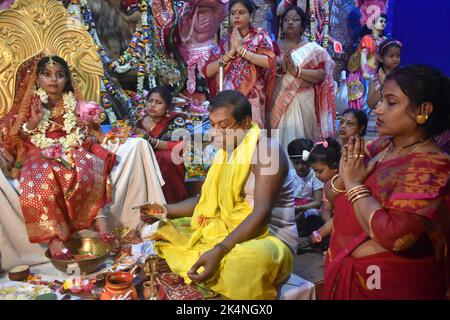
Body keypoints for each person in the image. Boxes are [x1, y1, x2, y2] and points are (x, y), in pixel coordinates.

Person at [141, 90, 298, 299]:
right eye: (212, 125)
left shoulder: (266, 151)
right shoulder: (227, 149)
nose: (215, 133)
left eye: (223, 126)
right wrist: (163, 210)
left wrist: (221, 249)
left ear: (245, 123)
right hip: (228, 226)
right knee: (162, 229)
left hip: (270, 235)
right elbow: (204, 201)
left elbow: (261, 214)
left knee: (244, 260)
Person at [324, 65, 450, 299]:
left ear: (423, 110)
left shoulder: (431, 165)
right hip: (349, 270)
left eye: (391, 102)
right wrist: (344, 180)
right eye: (381, 100)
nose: (377, 110)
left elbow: (395, 237)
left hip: (389, 283)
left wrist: (353, 185)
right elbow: (331, 195)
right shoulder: (380, 146)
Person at [0, 55, 116, 260]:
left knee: (86, 162)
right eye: (47, 74)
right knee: (42, 175)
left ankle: (99, 217)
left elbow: (85, 129)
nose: (54, 80)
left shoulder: (73, 102)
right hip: (37, 148)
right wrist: (34, 122)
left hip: (70, 144)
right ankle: (53, 236)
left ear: (66, 80)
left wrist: (87, 121)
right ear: (37, 79)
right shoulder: (31, 102)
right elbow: (18, 134)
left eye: (60, 75)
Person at [271, 6, 335, 150]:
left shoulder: (313, 49)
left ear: (303, 26)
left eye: (295, 20)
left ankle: (303, 172)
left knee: (303, 145)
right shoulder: (272, 47)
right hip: (278, 100)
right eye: (286, 20)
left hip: (303, 100)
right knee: (278, 144)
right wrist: (281, 68)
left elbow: (321, 76)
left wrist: (296, 71)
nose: (290, 23)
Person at [204, 0, 276, 128]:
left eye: (241, 13)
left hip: (251, 97)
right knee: (229, 137)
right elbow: (208, 71)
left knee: (250, 137)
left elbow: (270, 62)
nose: (236, 16)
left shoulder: (259, 37)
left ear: (251, 16)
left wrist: (242, 51)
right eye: (233, 13)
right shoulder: (225, 41)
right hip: (227, 99)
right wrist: (231, 52)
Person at [134, 85, 188, 204]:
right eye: (150, 101)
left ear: (167, 107)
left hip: (167, 166)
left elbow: (182, 146)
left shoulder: (176, 121)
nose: (152, 105)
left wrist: (153, 142)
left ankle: (172, 204)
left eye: (158, 102)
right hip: (142, 163)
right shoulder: (138, 122)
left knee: (167, 157)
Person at [177, 0, 230, 96]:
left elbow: (221, 3)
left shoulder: (220, 4)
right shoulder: (185, 6)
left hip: (204, 58)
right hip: (181, 58)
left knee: (203, 99)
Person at [303, 137, 341, 252]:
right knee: (311, 219)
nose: (317, 175)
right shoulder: (326, 184)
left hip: (342, 223)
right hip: (331, 223)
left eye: (320, 171)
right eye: (314, 171)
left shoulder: (341, 184)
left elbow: (340, 218)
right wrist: (327, 221)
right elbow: (326, 209)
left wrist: (326, 228)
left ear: (334, 168)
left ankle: (320, 243)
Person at [347, 14, 388, 110]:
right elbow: (363, 56)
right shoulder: (367, 38)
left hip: (377, 73)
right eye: (381, 21)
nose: (383, 24)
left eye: (385, 22)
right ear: (372, 23)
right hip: (365, 73)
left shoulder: (384, 40)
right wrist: (365, 70)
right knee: (363, 98)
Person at [366, 39, 402, 142]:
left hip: (394, 116)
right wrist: (383, 85)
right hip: (377, 117)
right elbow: (370, 104)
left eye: (398, 56)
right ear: (381, 58)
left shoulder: (402, 77)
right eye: (391, 56)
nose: (395, 59)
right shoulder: (375, 78)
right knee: (374, 145)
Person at [286, 139, 323, 239]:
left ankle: (309, 236)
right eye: (296, 163)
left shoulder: (315, 175)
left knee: (312, 216)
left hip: (309, 207)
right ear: (291, 161)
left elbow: (318, 202)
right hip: (292, 207)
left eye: (304, 163)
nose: (301, 166)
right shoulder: (289, 175)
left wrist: (300, 208)